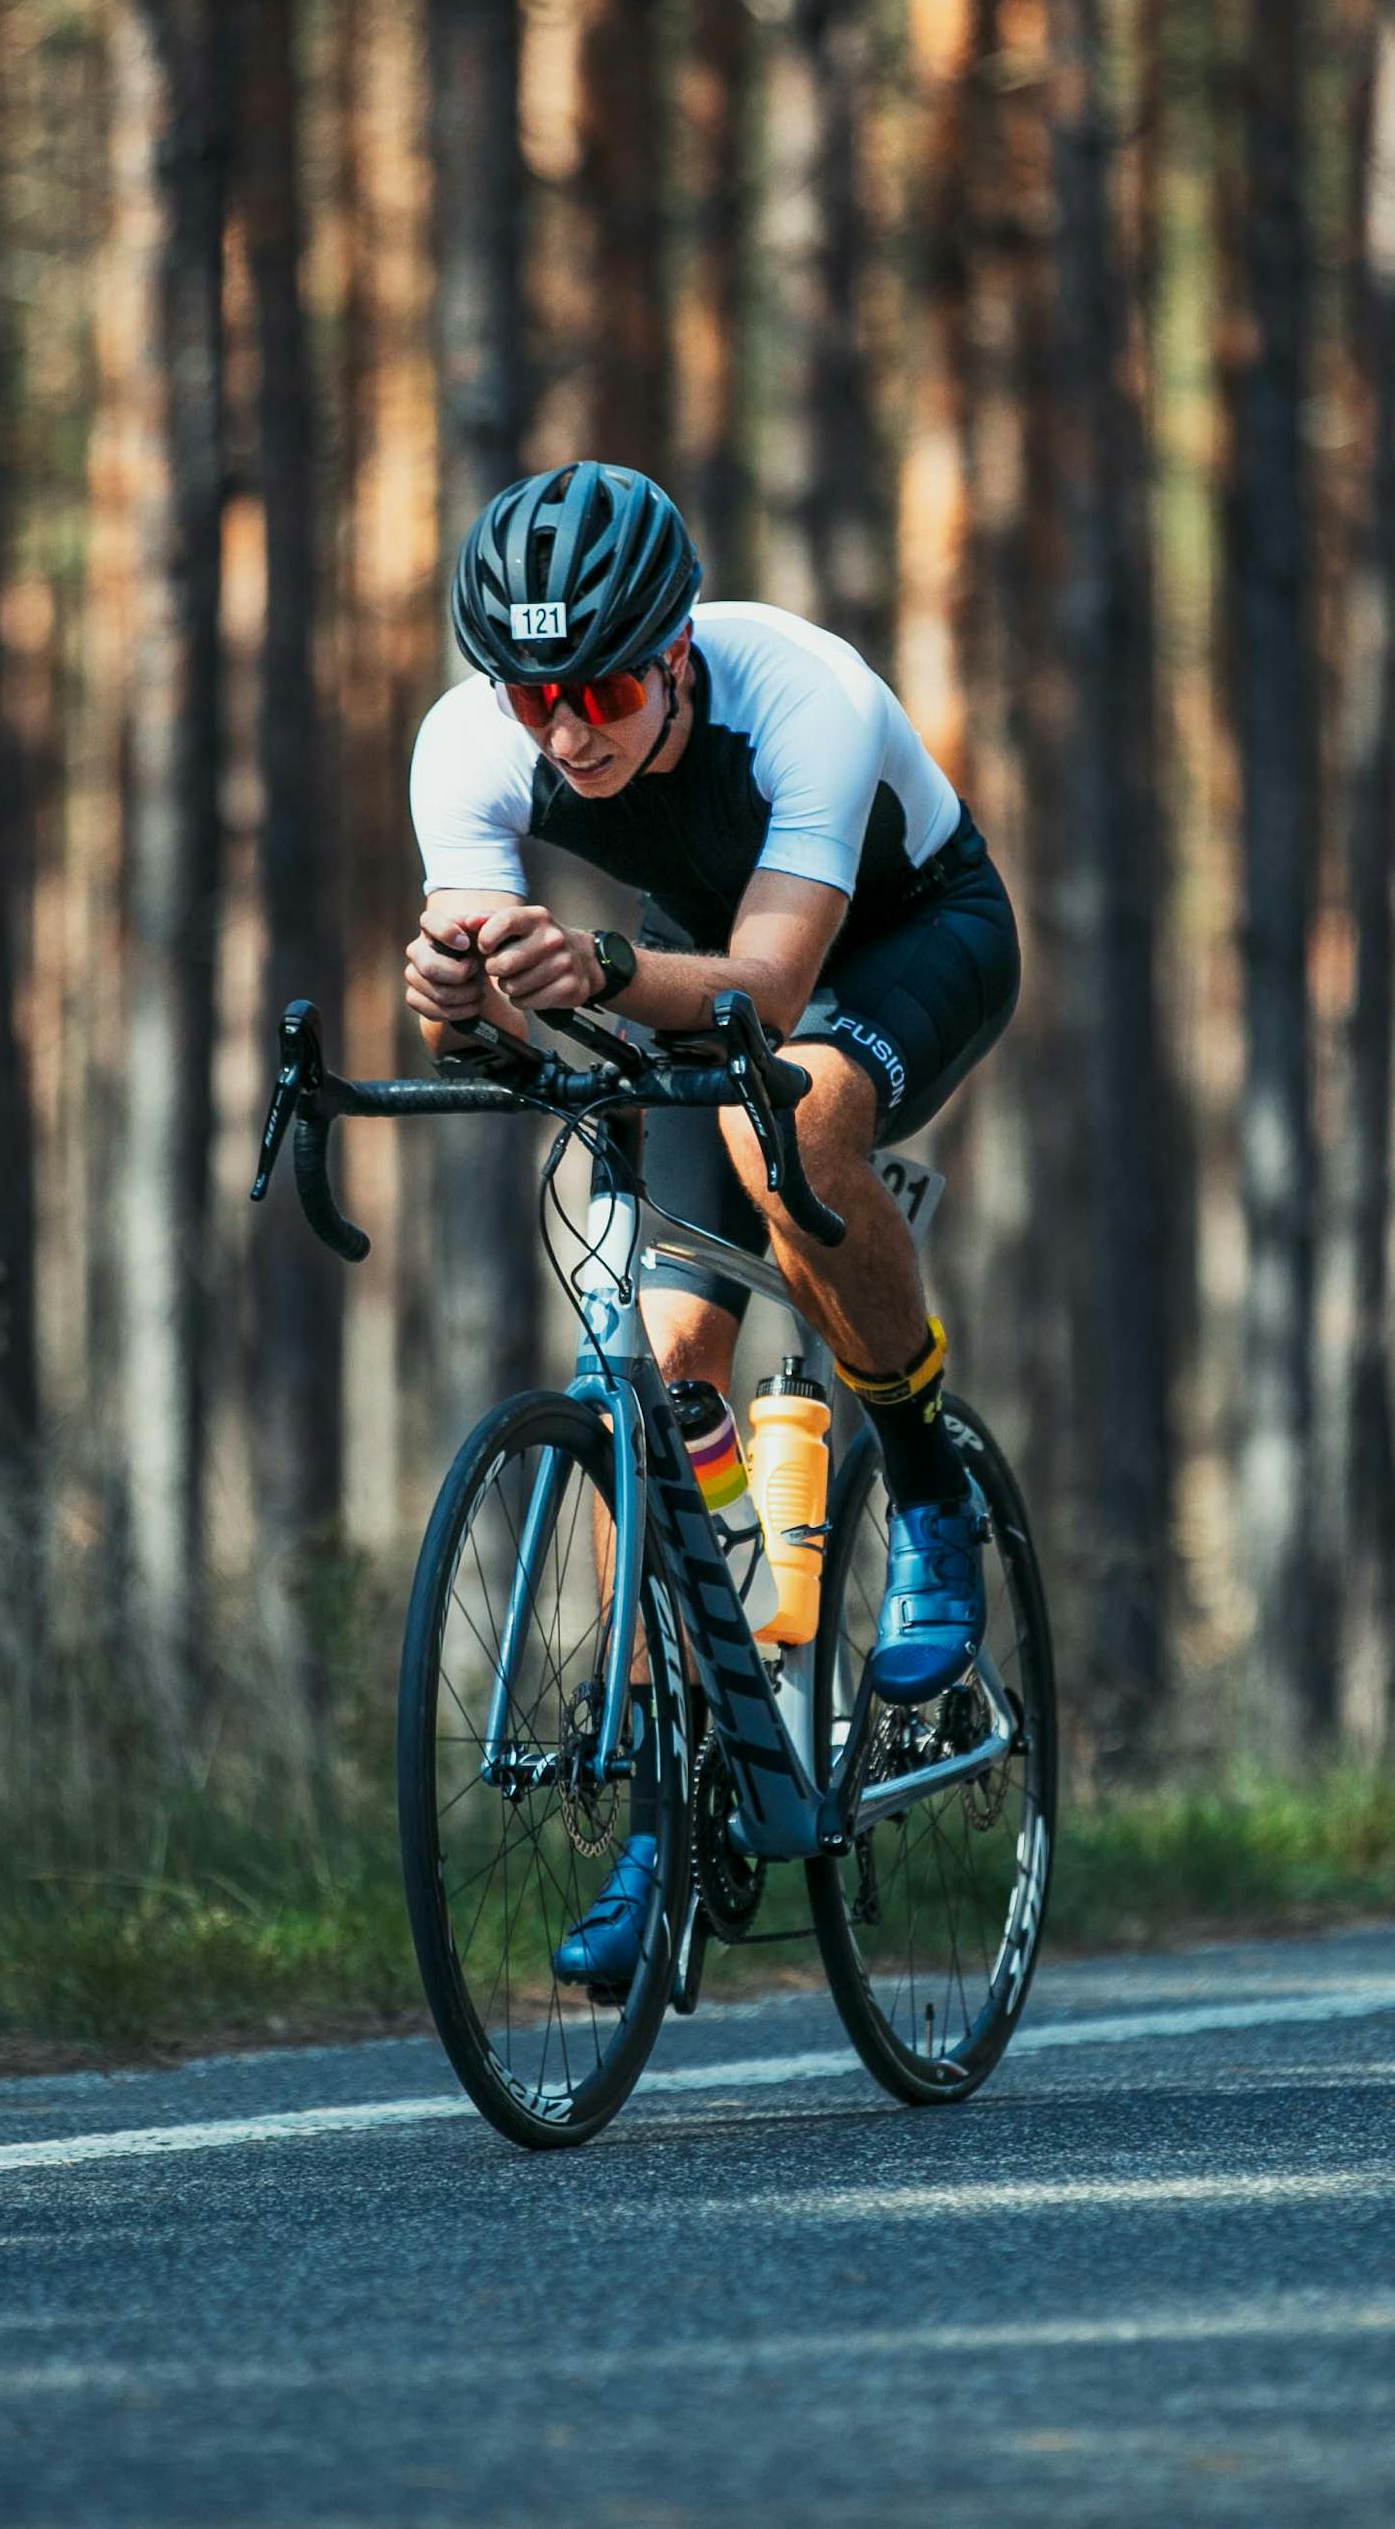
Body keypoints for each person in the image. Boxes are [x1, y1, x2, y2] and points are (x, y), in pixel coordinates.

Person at [403, 460, 1022, 1987]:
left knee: (791, 1106)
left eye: (603, 690)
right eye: (532, 695)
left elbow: (773, 992)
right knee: (657, 1378)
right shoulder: (467, 745)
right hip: (695, 963)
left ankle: (931, 1488)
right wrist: (456, 1005)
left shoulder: (804, 690)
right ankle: (685, 1797)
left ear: (675, 650)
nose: (565, 730)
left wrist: (598, 970)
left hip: (905, 938)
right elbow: (494, 1003)